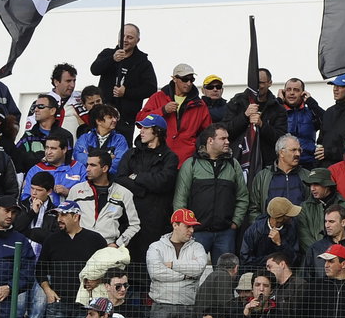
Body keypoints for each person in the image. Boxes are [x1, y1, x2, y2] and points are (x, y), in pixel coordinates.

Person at [174, 123, 249, 261]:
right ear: (210, 140)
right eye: (223, 138)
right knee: (191, 275)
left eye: (228, 138)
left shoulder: (234, 165)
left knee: (225, 279)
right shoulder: (191, 164)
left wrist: (235, 222)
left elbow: (242, 196)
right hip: (196, 232)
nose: (228, 142)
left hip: (225, 233)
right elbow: (180, 198)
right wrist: (185, 227)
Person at [118, 113, 181, 270]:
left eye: (146, 127)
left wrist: (137, 177)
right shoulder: (131, 154)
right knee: (128, 264)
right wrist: (142, 189)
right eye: (141, 127)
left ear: (157, 131)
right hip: (130, 217)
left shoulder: (170, 157)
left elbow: (163, 182)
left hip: (156, 220)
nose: (141, 131)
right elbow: (120, 179)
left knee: (151, 265)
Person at [35, 204, 107, 318]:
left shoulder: (95, 239)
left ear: (76, 217)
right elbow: (40, 269)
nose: (59, 219)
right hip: (58, 302)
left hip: (86, 304)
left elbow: (110, 269)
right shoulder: (51, 240)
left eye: (63, 215)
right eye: (58, 215)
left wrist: (98, 281)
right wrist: (48, 290)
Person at [146, 209, 208, 318]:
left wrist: (172, 264)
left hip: (187, 306)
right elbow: (156, 272)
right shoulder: (156, 247)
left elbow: (198, 268)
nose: (191, 230)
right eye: (188, 226)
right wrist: (185, 276)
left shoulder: (198, 247)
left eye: (193, 227)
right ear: (175, 225)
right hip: (161, 304)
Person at [90, 24, 159, 134]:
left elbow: (151, 88)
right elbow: (94, 70)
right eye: (122, 36)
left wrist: (126, 92)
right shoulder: (107, 54)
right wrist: (112, 59)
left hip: (127, 120)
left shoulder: (143, 63)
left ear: (138, 40)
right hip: (103, 118)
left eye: (130, 37)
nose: (125, 40)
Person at [138, 64, 211, 164]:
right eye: (185, 79)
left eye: (192, 79)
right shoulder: (158, 97)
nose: (189, 83)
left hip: (187, 159)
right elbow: (140, 121)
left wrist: (195, 147)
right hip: (159, 158)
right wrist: (163, 110)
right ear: (174, 79)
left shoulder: (200, 105)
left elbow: (207, 132)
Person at [68, 149, 141, 248]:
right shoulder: (76, 190)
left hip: (107, 249)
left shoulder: (124, 193)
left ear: (105, 168)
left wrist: (117, 244)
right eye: (87, 165)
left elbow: (134, 225)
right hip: (79, 246)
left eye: (93, 165)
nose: (87, 169)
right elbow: (65, 217)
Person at [24, 132, 84, 213]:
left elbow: (86, 197)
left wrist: (68, 193)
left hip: (71, 217)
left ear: (64, 150)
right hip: (43, 217)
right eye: (47, 148)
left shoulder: (79, 168)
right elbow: (25, 199)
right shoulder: (35, 170)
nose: (48, 152)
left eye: (53, 148)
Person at [240, 197, 304, 268]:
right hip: (258, 273)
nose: (292, 216)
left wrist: (280, 244)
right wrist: (271, 262)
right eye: (288, 214)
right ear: (280, 218)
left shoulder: (291, 229)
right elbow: (245, 259)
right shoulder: (255, 230)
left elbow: (295, 260)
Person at [73, 103, 129, 172]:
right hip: (86, 176)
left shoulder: (120, 139)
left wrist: (92, 161)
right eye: (110, 117)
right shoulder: (85, 138)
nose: (115, 120)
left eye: (115, 117)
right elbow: (79, 157)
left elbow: (119, 162)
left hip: (110, 178)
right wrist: (107, 159)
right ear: (99, 121)